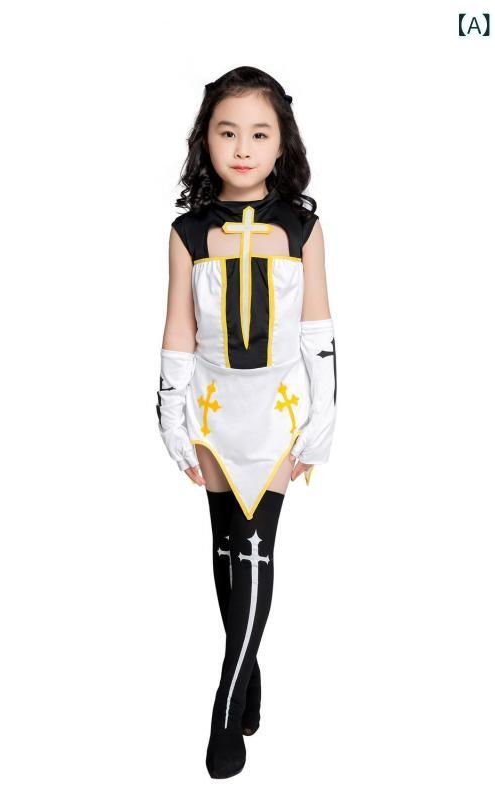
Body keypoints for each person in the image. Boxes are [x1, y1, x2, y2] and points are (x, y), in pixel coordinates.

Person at [156, 66, 337, 779]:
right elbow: (177, 330)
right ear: (204, 140)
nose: (242, 148)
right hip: (212, 409)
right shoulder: (187, 232)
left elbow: (318, 331)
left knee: (257, 547)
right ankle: (249, 669)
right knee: (226, 550)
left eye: (259, 134)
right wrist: (171, 418)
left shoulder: (302, 228)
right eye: (227, 132)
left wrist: (322, 422)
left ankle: (226, 707)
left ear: (281, 143)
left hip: (277, 411)